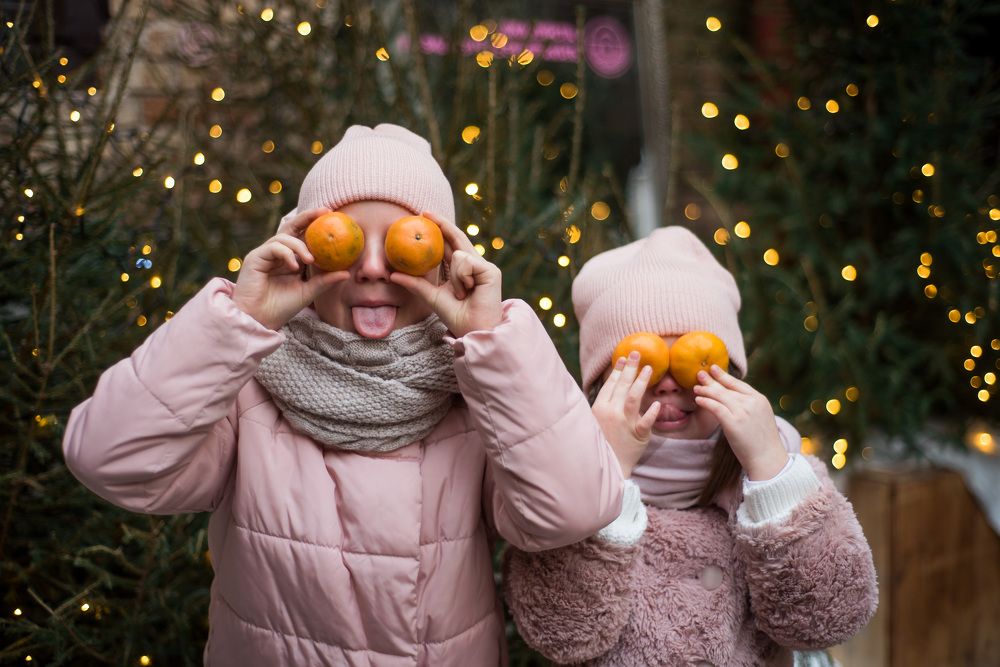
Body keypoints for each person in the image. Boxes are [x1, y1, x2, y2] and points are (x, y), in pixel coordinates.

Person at [62, 123, 626, 665]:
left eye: (404, 242)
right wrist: (238, 319)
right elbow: (109, 459)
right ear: (304, 249)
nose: (374, 267)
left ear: (444, 261)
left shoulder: (479, 390)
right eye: (346, 241)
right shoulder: (244, 385)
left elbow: (572, 509)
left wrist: (491, 339)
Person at [504, 226, 878, 666]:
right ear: (601, 386)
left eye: (690, 361)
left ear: (730, 374)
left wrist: (770, 470)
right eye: (643, 364)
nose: (667, 385)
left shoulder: (781, 470)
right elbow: (562, 633)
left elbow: (830, 618)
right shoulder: (558, 488)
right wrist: (605, 477)